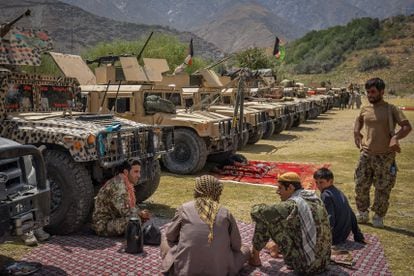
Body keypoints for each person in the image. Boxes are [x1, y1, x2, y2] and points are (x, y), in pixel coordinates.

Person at [160, 175, 250, 276]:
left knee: (165, 242)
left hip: (184, 271)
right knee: (245, 249)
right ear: (218, 191)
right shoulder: (225, 212)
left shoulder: (184, 208)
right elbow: (237, 246)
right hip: (220, 271)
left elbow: (170, 236)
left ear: (197, 189)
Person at [354, 77, 412, 228]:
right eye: (367, 92)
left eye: (373, 92)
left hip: (385, 156)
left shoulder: (390, 109)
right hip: (366, 154)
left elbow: (406, 127)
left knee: (383, 187)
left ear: (382, 92)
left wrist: (395, 138)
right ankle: (362, 213)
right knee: (361, 184)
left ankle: (378, 216)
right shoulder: (365, 109)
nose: (369, 95)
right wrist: (356, 132)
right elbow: (359, 120)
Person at [249, 172, 331, 275]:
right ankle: (274, 246)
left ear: (291, 187)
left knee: (265, 218)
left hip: (305, 266)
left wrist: (262, 207)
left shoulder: (292, 204)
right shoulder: (314, 198)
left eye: (280, 188)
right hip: (324, 262)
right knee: (280, 219)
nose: (277, 192)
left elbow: (256, 212)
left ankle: (255, 257)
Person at [92, 160, 150, 237]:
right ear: (126, 172)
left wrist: (141, 214)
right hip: (102, 225)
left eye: (139, 172)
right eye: (136, 172)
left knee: (138, 219)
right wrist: (140, 214)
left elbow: (129, 206)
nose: (139, 175)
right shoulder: (119, 185)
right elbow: (125, 211)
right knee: (134, 220)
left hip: (112, 219)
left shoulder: (124, 182)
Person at [313, 168, 365, 245]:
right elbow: (352, 215)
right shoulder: (338, 192)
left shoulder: (326, 195)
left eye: (321, 182)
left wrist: (325, 239)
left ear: (330, 181)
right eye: (316, 182)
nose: (318, 185)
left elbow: (330, 219)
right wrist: (358, 236)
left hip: (335, 237)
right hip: (343, 235)